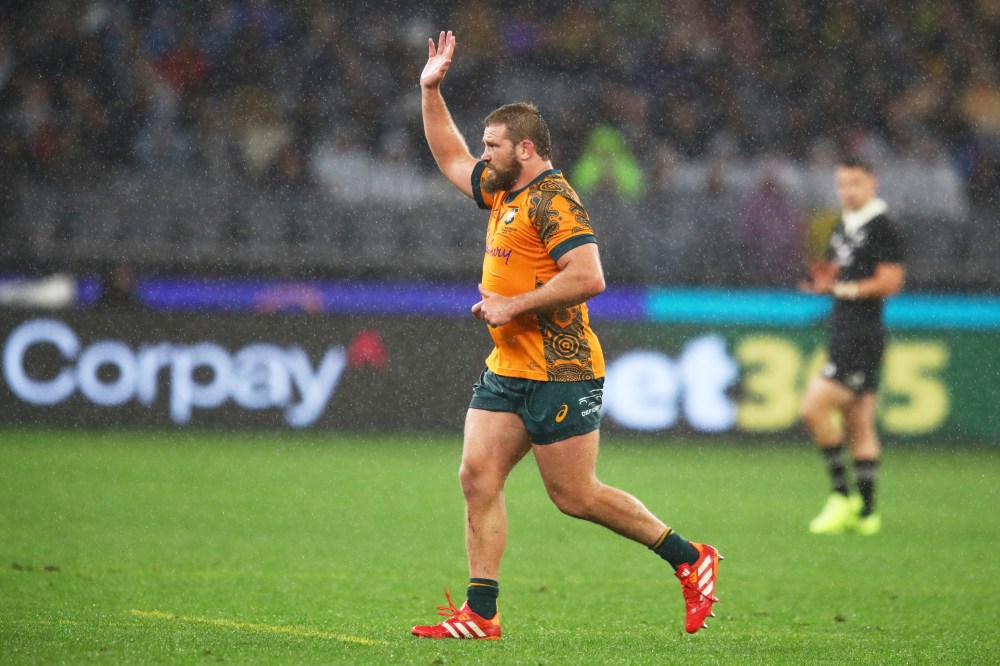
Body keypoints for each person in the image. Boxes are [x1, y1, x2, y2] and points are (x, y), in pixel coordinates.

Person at [410, 31, 721, 640]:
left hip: (562, 369)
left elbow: (590, 276)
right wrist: (431, 90)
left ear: (525, 148)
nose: (483, 154)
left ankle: (690, 557)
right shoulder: (503, 188)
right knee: (476, 475)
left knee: (575, 497)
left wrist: (513, 305)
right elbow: (448, 156)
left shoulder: (555, 202)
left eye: (493, 145)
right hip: (510, 368)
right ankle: (481, 613)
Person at [799, 157, 906, 536]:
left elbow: (890, 282)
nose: (848, 191)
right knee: (859, 422)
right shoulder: (844, 225)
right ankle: (867, 514)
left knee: (813, 408)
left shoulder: (883, 228)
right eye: (842, 184)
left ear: (872, 183)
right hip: (844, 330)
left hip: (861, 336)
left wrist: (841, 288)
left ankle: (841, 496)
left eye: (855, 183)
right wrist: (822, 282)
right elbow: (835, 272)